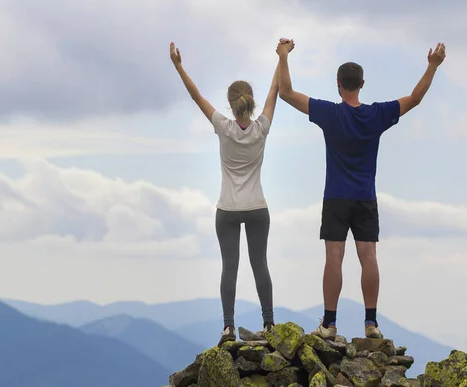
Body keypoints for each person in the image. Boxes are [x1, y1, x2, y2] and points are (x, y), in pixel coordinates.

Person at [275, 39, 446, 340]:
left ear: (338, 84)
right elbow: (415, 98)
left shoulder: (330, 113)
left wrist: (283, 56)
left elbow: (286, 93)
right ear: (362, 84)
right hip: (366, 197)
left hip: (336, 197)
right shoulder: (376, 114)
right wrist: (432, 66)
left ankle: (328, 324)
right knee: (368, 256)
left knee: (333, 256)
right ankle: (371, 323)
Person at [170, 41, 291, 346]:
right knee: (260, 263)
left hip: (227, 209)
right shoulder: (261, 127)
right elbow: (275, 91)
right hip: (257, 207)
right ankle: (269, 323)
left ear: (230, 102)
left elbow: (196, 96)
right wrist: (282, 57)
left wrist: (178, 65)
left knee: (230, 267)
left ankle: (228, 328)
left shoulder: (223, 127)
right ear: (250, 102)